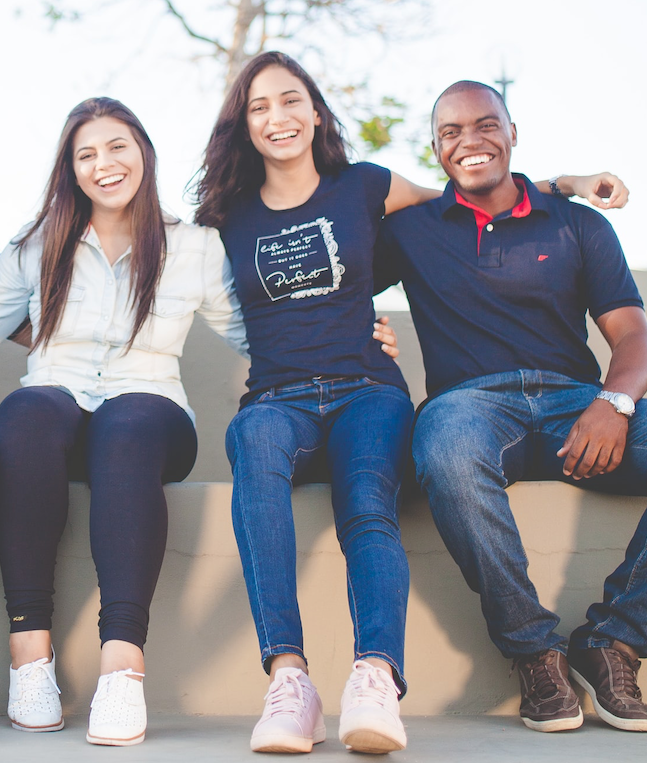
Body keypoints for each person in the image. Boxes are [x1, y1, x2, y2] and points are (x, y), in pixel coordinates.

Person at [193, 51, 618, 755]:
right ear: (242, 124)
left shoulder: (366, 186)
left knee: (367, 502)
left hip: (368, 389)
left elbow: (471, 195)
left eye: (291, 100)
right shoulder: (223, 217)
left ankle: (376, 677)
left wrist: (565, 184)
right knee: (254, 451)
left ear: (316, 111)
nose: (279, 117)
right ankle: (289, 679)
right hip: (276, 397)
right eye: (260, 106)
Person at [0, 97, 264, 746]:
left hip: (150, 412)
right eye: (86, 153)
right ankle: (30, 656)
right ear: (70, 169)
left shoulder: (193, 247)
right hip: (56, 408)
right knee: (25, 414)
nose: (105, 164)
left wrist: (345, 340)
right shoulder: (36, 244)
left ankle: (122, 668)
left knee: (126, 428)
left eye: (117, 146)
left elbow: (251, 332)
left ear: (143, 152)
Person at [377, 80, 647, 735]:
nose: (469, 141)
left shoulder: (578, 222)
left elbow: (632, 333)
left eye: (485, 125)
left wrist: (615, 401)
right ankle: (534, 651)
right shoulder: (410, 229)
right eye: (450, 133)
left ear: (513, 131)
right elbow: (337, 207)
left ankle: (613, 639)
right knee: (443, 449)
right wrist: (360, 327)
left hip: (577, 407)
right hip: (468, 407)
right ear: (435, 151)